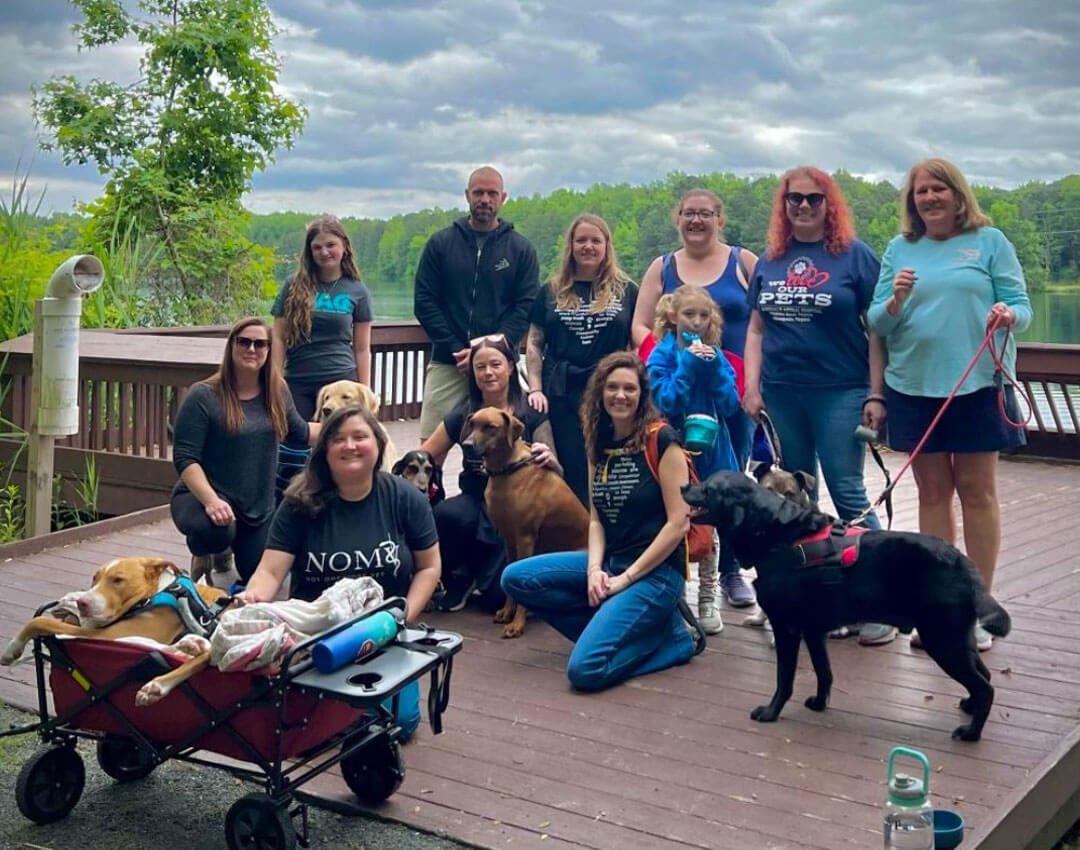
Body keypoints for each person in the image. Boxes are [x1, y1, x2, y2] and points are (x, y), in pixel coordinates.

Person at [867, 157, 1032, 652]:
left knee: (978, 493)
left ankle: (979, 607)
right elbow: (878, 321)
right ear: (912, 201)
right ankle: (943, 604)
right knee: (933, 494)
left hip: (979, 384)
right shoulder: (900, 248)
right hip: (913, 388)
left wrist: (1007, 314)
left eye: (939, 189)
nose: (930, 198)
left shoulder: (990, 242)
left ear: (959, 195)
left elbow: (1022, 308)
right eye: (921, 191)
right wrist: (895, 301)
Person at [742, 166, 892, 646]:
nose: (803, 206)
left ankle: (877, 600)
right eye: (794, 199)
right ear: (783, 206)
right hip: (783, 391)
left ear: (830, 205)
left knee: (848, 491)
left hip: (840, 389)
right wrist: (751, 386)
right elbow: (757, 329)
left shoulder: (854, 256)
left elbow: (876, 329)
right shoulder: (771, 259)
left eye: (813, 198)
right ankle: (811, 596)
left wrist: (875, 393)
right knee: (792, 500)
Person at [501, 352, 700, 691]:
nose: (620, 396)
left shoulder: (662, 441)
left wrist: (625, 579)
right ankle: (616, 629)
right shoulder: (599, 441)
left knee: (586, 670)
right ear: (600, 392)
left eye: (629, 389)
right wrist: (595, 569)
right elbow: (596, 519)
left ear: (642, 395)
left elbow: (678, 524)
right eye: (612, 387)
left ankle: (675, 642)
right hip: (611, 561)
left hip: (657, 574)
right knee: (516, 579)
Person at [239, 405, 441, 738]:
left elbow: (430, 567)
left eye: (360, 437)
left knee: (401, 724)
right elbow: (271, 572)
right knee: (300, 725)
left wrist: (402, 616)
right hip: (317, 635)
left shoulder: (405, 497)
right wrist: (253, 598)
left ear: (377, 445)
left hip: (384, 632)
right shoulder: (298, 501)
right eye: (338, 439)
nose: (350, 446)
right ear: (324, 452)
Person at [632, 188, 760, 609]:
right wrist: (670, 361)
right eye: (689, 213)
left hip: (731, 393)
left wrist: (746, 381)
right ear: (678, 218)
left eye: (705, 213)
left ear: (719, 219)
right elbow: (640, 326)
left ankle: (729, 573)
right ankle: (671, 575)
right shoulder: (662, 266)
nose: (697, 220)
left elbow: (766, 321)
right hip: (677, 395)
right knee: (673, 486)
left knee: (729, 480)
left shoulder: (742, 262)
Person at [171, 317, 315, 586]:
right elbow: (185, 458)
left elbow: (302, 432)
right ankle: (207, 552)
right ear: (232, 347)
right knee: (216, 530)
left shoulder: (277, 391)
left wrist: (348, 427)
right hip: (205, 498)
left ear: (269, 350)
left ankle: (237, 545)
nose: (252, 349)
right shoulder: (203, 396)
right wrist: (211, 501)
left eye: (260, 344)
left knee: (257, 573)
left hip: (258, 508)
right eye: (244, 342)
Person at [420, 334, 560, 611]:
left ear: (510, 366)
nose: (488, 373)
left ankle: (483, 576)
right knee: (447, 514)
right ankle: (458, 575)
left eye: (495, 364)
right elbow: (427, 453)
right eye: (480, 367)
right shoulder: (465, 414)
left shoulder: (529, 413)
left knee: (497, 596)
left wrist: (550, 460)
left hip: (514, 508)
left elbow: (556, 465)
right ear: (472, 373)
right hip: (474, 499)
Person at [414, 166, 540, 440]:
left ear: (503, 197)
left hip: (500, 367)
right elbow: (425, 302)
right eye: (479, 192)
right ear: (467, 196)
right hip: (449, 362)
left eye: (492, 193)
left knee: (511, 442)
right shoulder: (441, 244)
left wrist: (488, 351)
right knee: (428, 446)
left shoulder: (521, 250)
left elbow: (525, 306)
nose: (485, 199)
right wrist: (458, 349)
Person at [525, 213, 637, 506]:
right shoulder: (550, 290)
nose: (588, 246)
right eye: (581, 240)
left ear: (606, 246)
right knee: (571, 463)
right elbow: (535, 343)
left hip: (610, 390)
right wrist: (535, 388)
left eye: (595, 240)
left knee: (609, 460)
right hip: (561, 390)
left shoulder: (627, 291)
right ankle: (576, 535)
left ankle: (608, 533)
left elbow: (636, 343)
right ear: (571, 246)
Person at [647, 288, 740, 634]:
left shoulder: (716, 355)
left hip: (713, 452)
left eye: (704, 315)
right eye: (689, 315)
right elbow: (666, 402)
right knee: (674, 521)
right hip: (673, 453)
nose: (697, 322)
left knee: (709, 522)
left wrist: (714, 368)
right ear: (673, 316)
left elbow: (731, 405)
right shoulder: (661, 356)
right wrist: (687, 364)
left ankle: (707, 595)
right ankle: (677, 598)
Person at [271, 215, 374, 421]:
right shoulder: (293, 285)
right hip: (299, 380)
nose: (324, 252)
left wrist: (365, 392)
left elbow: (362, 349)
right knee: (297, 442)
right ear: (310, 251)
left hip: (341, 381)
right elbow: (278, 338)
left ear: (344, 246)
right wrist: (275, 380)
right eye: (317, 247)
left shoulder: (357, 289)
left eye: (330, 245)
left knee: (339, 442)